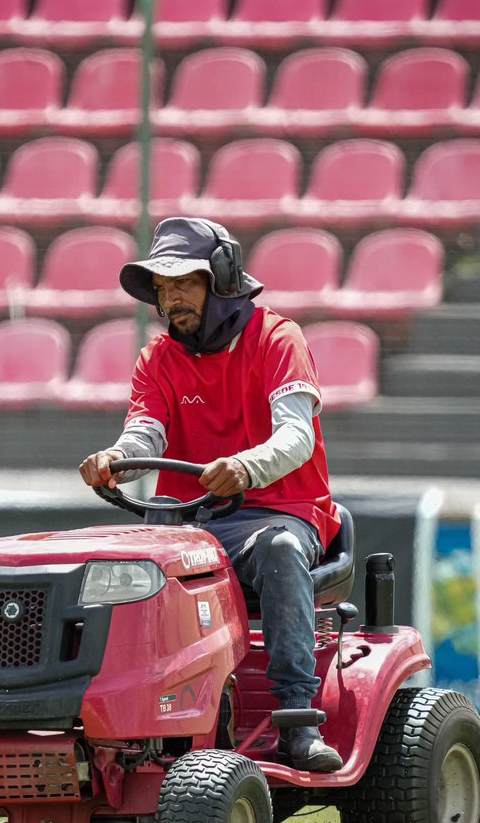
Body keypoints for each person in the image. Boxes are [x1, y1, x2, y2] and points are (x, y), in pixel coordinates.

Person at [79, 216, 343, 773]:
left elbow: (295, 436)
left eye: (183, 283)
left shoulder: (279, 338)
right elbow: (144, 431)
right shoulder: (156, 359)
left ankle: (297, 717)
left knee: (280, 552)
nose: (170, 297)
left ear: (222, 278)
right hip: (185, 523)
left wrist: (246, 469)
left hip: (276, 515)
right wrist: (117, 460)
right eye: (162, 286)